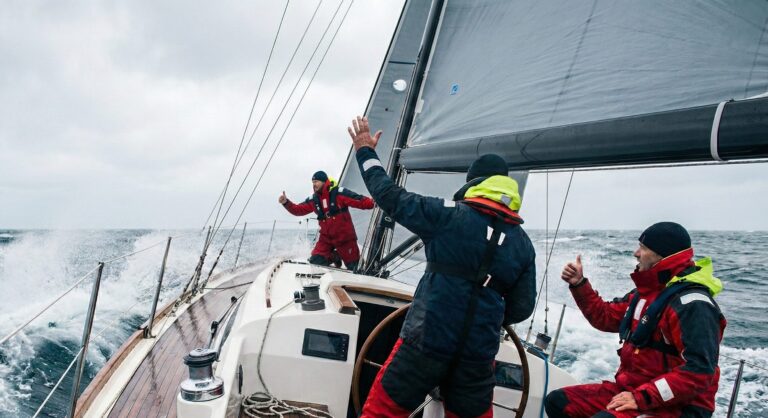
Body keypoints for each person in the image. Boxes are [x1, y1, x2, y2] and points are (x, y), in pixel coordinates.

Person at [347, 116, 536, 418]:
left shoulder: (449, 216)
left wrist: (365, 152)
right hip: (476, 359)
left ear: (473, 184)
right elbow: (521, 308)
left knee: (382, 413)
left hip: (425, 344)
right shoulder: (523, 244)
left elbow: (389, 196)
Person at [545, 222, 726, 418]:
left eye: (643, 248)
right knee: (560, 402)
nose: (636, 253)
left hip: (677, 407)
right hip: (635, 391)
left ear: (663, 256)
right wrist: (579, 284)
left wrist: (642, 397)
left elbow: (699, 371)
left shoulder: (694, 305)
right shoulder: (645, 295)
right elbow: (605, 318)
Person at [279, 170, 374, 271]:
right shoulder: (314, 200)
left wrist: (373, 202)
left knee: (355, 268)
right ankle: (335, 256)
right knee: (315, 261)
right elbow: (298, 210)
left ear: (324, 181)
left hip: (345, 239)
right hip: (326, 239)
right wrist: (286, 202)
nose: (314, 184)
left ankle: (347, 256)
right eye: (313, 182)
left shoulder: (339, 193)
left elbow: (358, 200)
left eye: (316, 181)